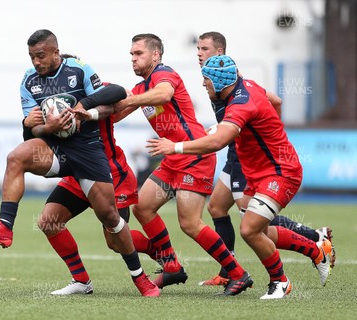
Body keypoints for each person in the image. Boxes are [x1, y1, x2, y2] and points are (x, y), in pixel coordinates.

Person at [0, 30, 160, 297]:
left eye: (41, 56)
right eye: (31, 57)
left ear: (56, 53)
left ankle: (140, 278)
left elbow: (115, 95)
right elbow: (32, 134)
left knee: (110, 219)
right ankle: (6, 227)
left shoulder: (79, 70)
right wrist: (41, 126)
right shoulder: (28, 81)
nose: (36, 62)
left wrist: (82, 110)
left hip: (88, 151)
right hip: (57, 149)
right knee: (18, 160)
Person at [147, 55, 334, 299]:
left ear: (219, 82)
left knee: (249, 229)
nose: (203, 84)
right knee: (259, 229)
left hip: (281, 172)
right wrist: (272, 130)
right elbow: (275, 101)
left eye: (206, 80)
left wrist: (176, 147)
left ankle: (280, 281)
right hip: (256, 170)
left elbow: (217, 142)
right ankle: (316, 249)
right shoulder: (249, 85)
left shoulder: (240, 103)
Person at [114, 33, 252, 296]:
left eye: (138, 53)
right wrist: (89, 111)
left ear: (155, 55)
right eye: (131, 54)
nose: (133, 58)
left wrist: (128, 99)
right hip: (172, 159)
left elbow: (164, 95)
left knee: (189, 223)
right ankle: (171, 265)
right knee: (142, 208)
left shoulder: (164, 74)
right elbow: (117, 114)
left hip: (194, 156)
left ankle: (238, 274)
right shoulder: (143, 89)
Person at [196, 31, 334, 286]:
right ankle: (229, 271)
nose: (198, 54)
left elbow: (272, 102)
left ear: (219, 54)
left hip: (246, 158)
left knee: (252, 221)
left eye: (204, 49)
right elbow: (274, 101)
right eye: (198, 49)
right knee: (216, 206)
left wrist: (267, 133)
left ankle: (313, 239)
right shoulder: (211, 82)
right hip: (234, 154)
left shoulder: (233, 83)